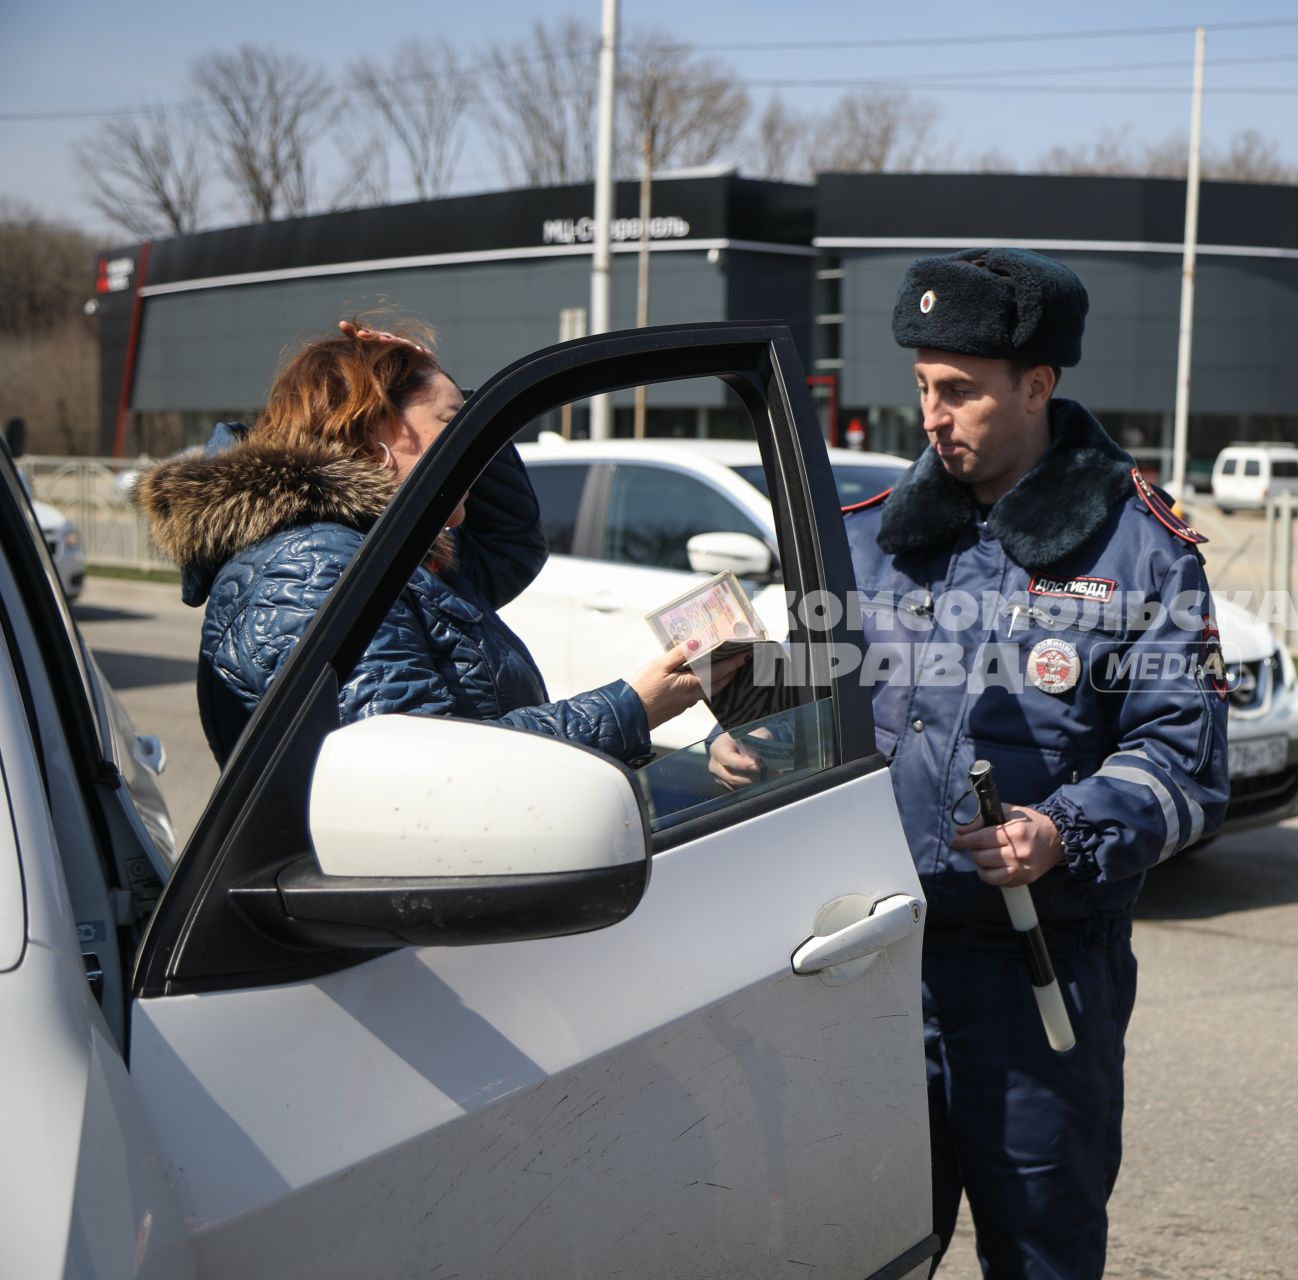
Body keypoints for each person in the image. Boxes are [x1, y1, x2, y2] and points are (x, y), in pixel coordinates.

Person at [814, 248, 1226, 1277]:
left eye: (959, 391)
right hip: (872, 968)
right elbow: (814, 707)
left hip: (1038, 979)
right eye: (922, 388)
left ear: (1038, 385)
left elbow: (1185, 767)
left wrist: (1064, 829)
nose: (932, 415)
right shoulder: (869, 543)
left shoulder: (1141, 551)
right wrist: (750, 740)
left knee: (1041, 1253)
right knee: (851, 1248)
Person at [138, 319, 739, 764]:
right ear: (375, 431)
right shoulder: (315, 564)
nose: (474, 446)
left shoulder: (387, 550)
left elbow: (510, 543)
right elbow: (428, 769)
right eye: (457, 425)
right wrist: (631, 708)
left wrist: (456, 396)